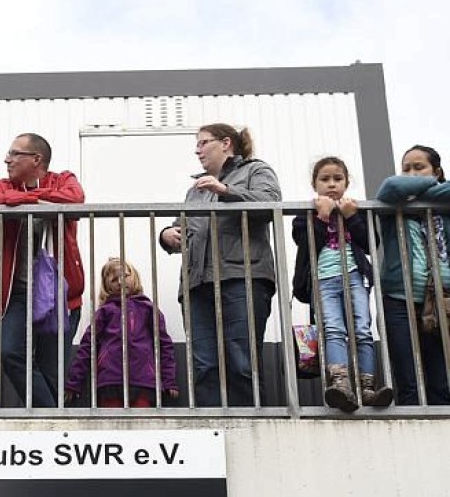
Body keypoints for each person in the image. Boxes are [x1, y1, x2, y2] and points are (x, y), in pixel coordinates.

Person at [159, 124, 280, 407]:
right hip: (197, 284)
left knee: (242, 361)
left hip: (242, 277)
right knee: (203, 365)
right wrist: (167, 235)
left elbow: (270, 202)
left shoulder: (256, 170)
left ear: (226, 143)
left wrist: (225, 190)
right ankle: (212, 426)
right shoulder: (196, 190)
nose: (197, 149)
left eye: (203, 142)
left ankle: (250, 429)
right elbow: (182, 228)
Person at [0, 133, 85, 407]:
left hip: (61, 293)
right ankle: (52, 417)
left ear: (37, 159)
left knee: (51, 368)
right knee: (11, 352)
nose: (7, 159)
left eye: (14, 154)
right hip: (19, 293)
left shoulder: (64, 179)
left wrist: (26, 198)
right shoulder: (4, 185)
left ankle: (50, 425)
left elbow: (75, 199)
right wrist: (27, 199)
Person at [292, 157, 392, 412]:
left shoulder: (354, 210)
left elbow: (371, 244)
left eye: (338, 179)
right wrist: (322, 218)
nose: (332, 184)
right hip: (323, 281)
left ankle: (366, 387)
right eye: (325, 179)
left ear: (347, 182)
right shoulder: (305, 214)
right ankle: (341, 385)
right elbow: (304, 242)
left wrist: (352, 217)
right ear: (314, 184)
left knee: (362, 329)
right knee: (334, 329)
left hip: (355, 277)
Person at [377, 145, 450, 405]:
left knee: (440, 380)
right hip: (399, 298)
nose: (410, 173)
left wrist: (423, 194)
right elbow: (390, 188)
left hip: (440, 299)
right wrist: (430, 186)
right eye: (406, 168)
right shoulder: (393, 202)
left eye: (419, 167)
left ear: (437, 170)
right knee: (407, 379)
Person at [64, 258, 179, 407]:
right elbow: (87, 347)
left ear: (135, 277)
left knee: (142, 424)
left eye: (125, 276)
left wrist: (169, 380)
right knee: (111, 425)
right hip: (110, 382)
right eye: (113, 279)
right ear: (107, 286)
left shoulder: (149, 310)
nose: (120, 282)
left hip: (144, 382)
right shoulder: (104, 312)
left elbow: (164, 346)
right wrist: (73, 383)